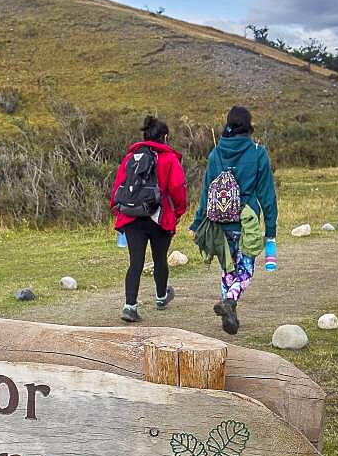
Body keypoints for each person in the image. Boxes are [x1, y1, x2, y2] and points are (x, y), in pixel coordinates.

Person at [188, 105, 278, 334]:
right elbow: (267, 195)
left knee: (228, 270)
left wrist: (197, 222)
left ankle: (230, 316)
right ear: (249, 126)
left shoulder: (215, 153)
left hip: (219, 223)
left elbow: (207, 192)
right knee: (245, 271)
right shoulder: (258, 152)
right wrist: (270, 230)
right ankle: (229, 301)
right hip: (245, 222)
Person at [111, 116, 187, 323]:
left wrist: (119, 212)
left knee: (135, 261)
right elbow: (178, 189)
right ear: (165, 137)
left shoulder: (131, 158)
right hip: (159, 217)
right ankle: (161, 298)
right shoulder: (169, 159)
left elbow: (118, 186)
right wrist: (178, 212)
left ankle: (130, 306)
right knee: (160, 258)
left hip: (132, 216)